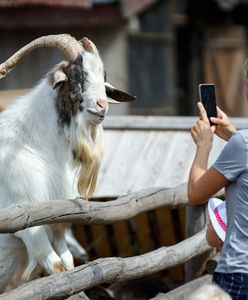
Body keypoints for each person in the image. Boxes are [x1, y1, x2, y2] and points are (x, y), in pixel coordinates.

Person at [188, 74, 248, 299]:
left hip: (239, 274)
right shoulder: (241, 142)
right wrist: (233, 135)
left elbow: (195, 193)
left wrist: (203, 145)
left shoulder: (243, 144)